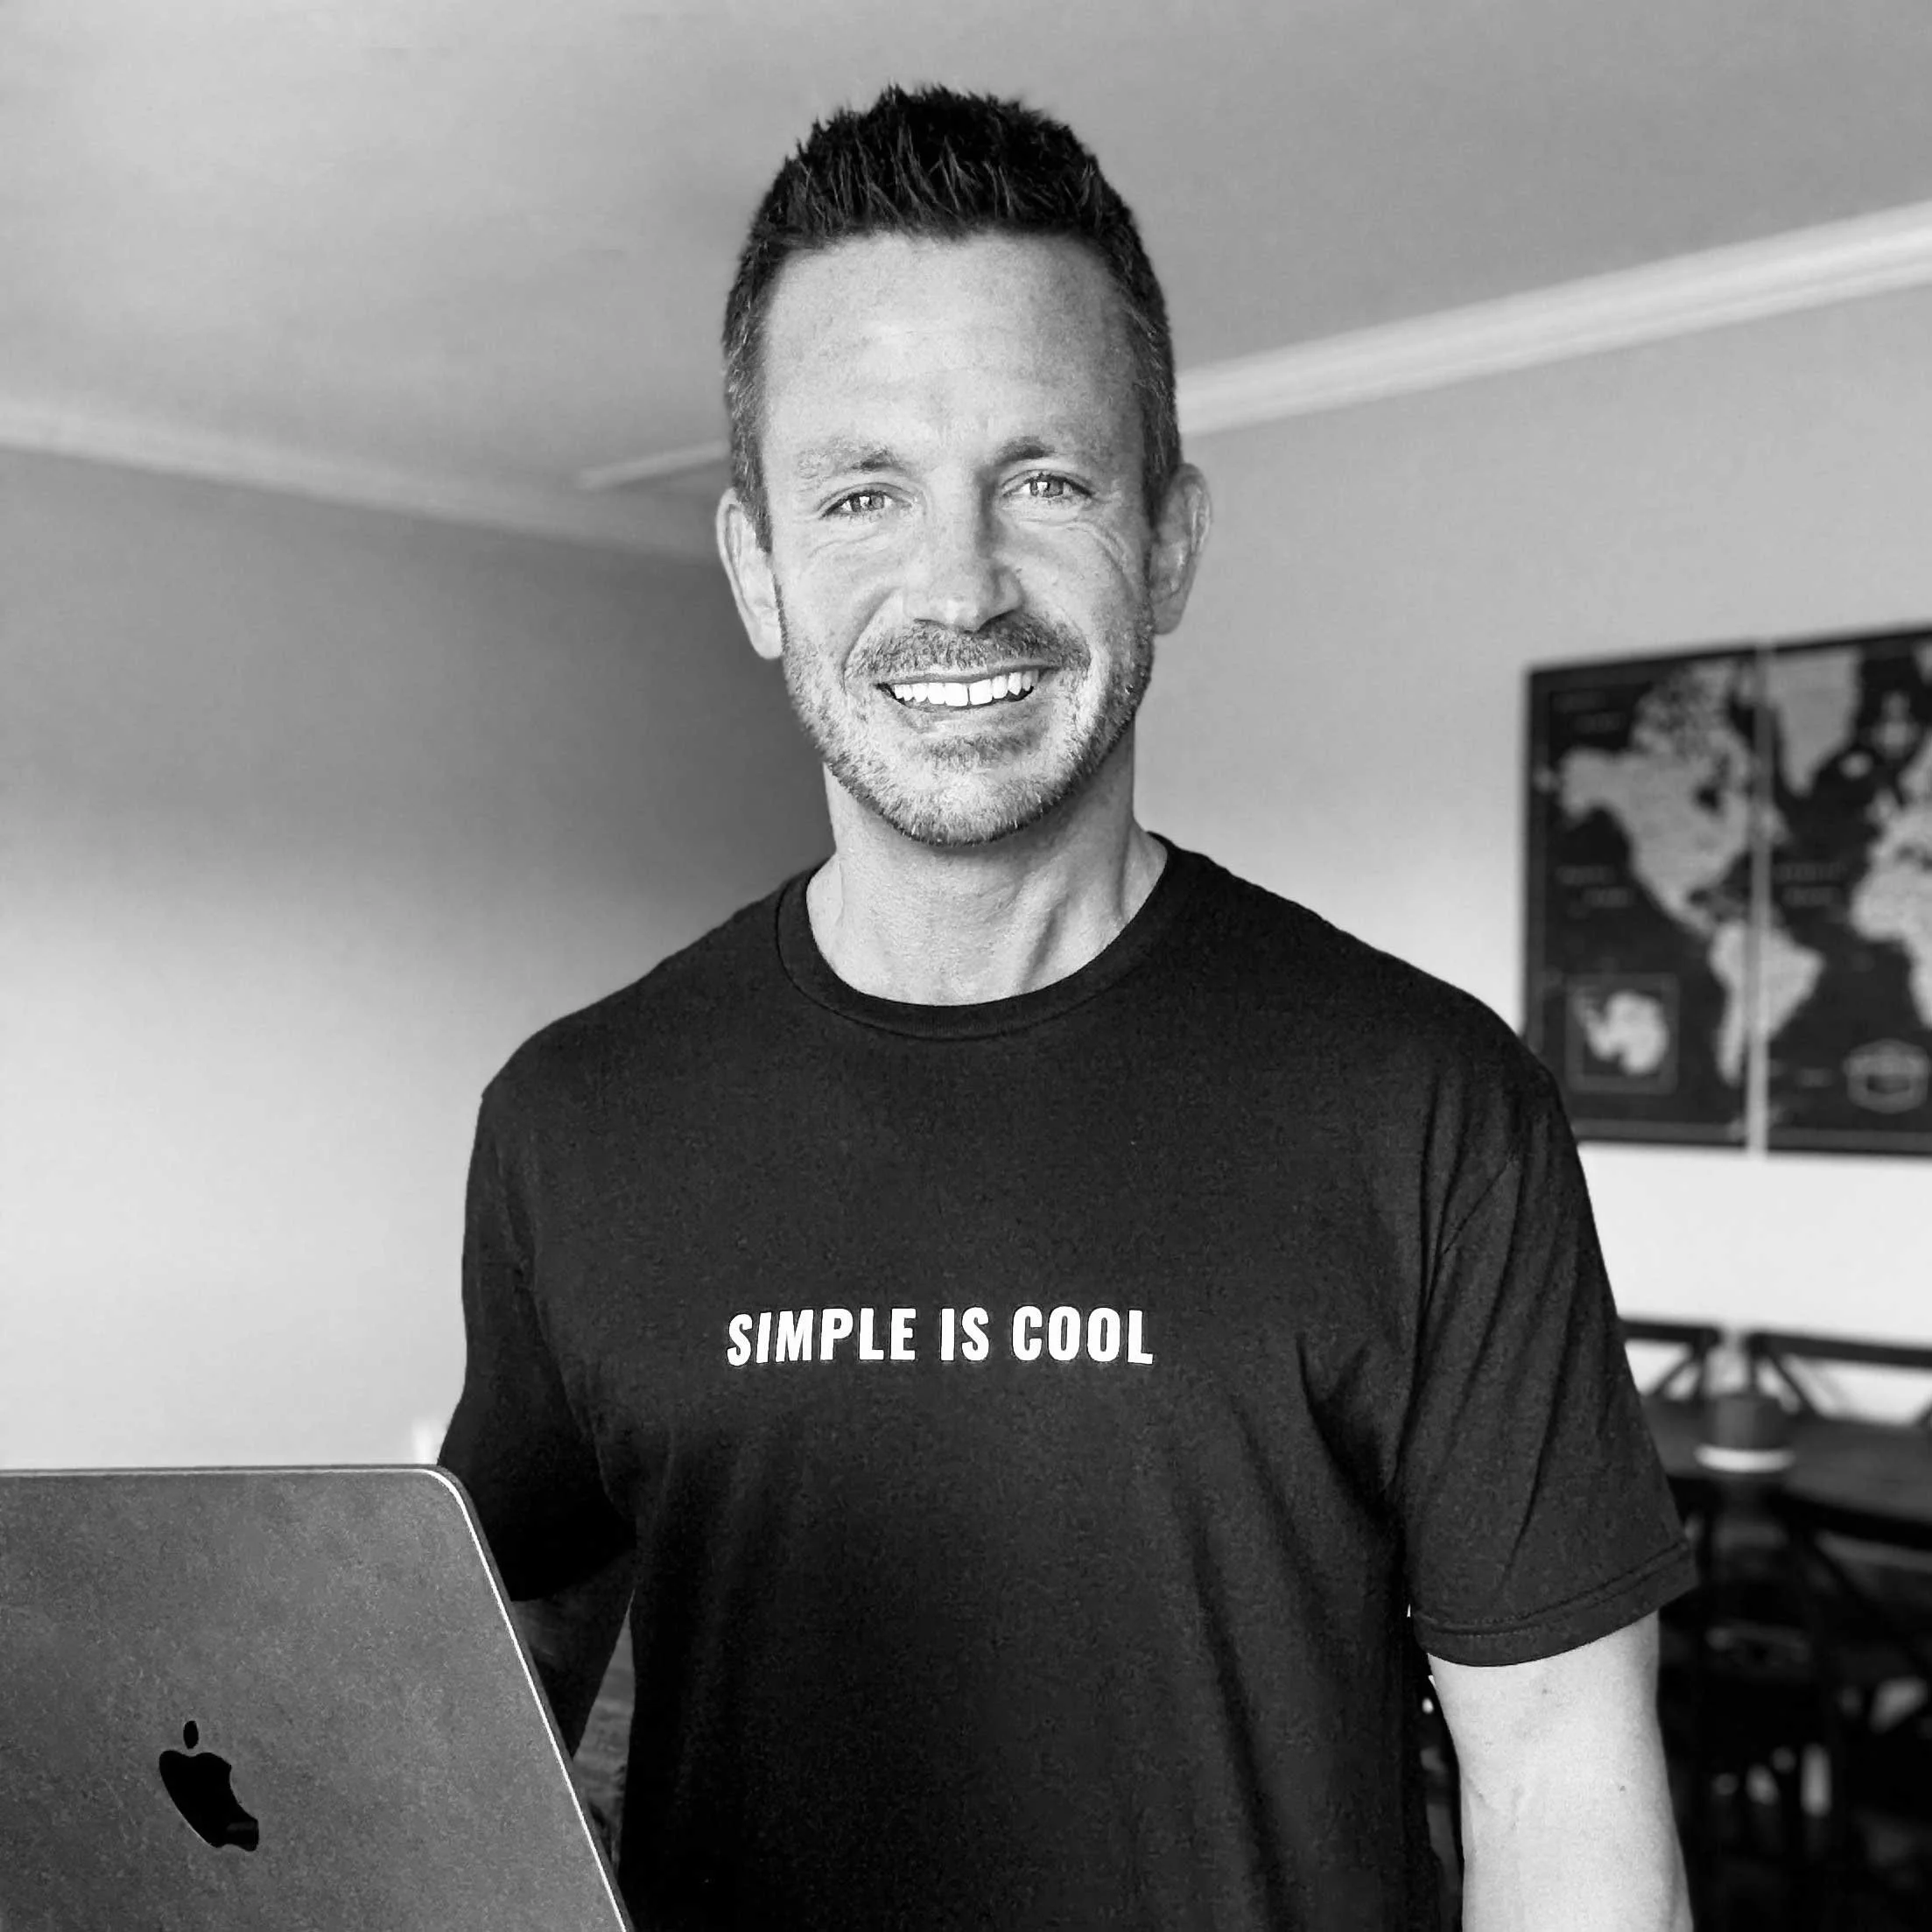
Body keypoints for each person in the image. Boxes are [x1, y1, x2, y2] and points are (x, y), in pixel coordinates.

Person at [439, 83, 1696, 1930]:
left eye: (1044, 479)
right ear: (755, 572)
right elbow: (507, 1637)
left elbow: (1559, 1783)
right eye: (862, 492)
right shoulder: (573, 1113)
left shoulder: (1426, 1105)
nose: (958, 583)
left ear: (1167, 540)